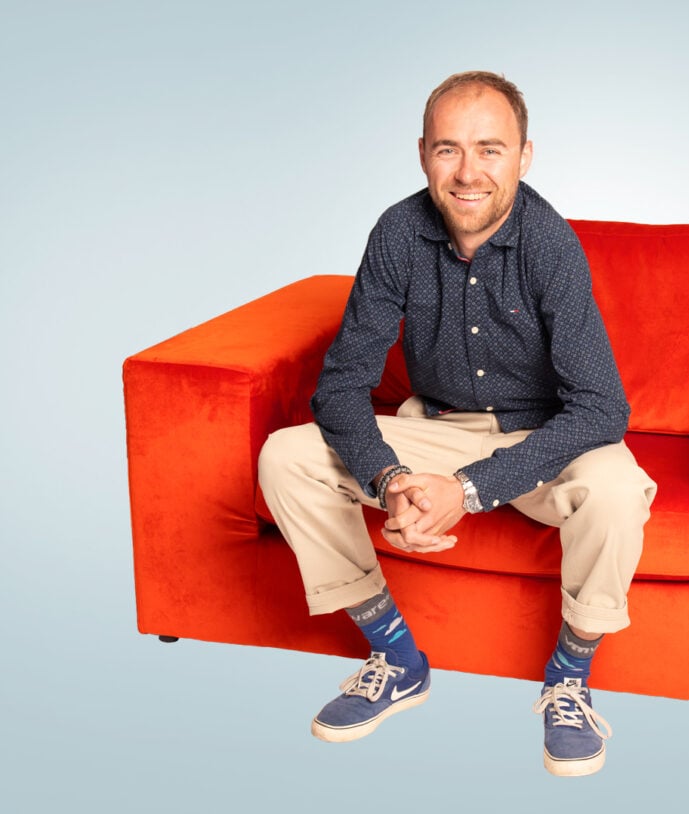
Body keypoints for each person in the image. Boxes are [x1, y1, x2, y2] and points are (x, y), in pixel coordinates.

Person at [257, 70, 656, 777]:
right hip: (433, 429)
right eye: (449, 149)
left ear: (524, 156)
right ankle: (396, 657)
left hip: (540, 438)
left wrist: (467, 489)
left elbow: (602, 407)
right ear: (423, 155)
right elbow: (342, 385)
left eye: (490, 149)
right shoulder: (397, 232)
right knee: (287, 455)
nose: (469, 172)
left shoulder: (549, 243)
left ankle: (569, 678)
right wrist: (391, 477)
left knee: (619, 490)